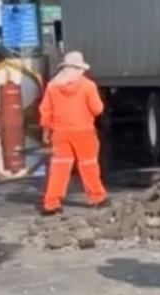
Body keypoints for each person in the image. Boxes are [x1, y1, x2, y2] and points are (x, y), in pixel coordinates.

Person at [38, 51, 108, 215]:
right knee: (88, 165)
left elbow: (45, 111)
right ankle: (97, 197)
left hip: (60, 134)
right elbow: (97, 109)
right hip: (84, 132)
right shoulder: (87, 85)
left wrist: (46, 129)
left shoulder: (52, 86)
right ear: (80, 68)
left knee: (59, 167)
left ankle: (51, 203)